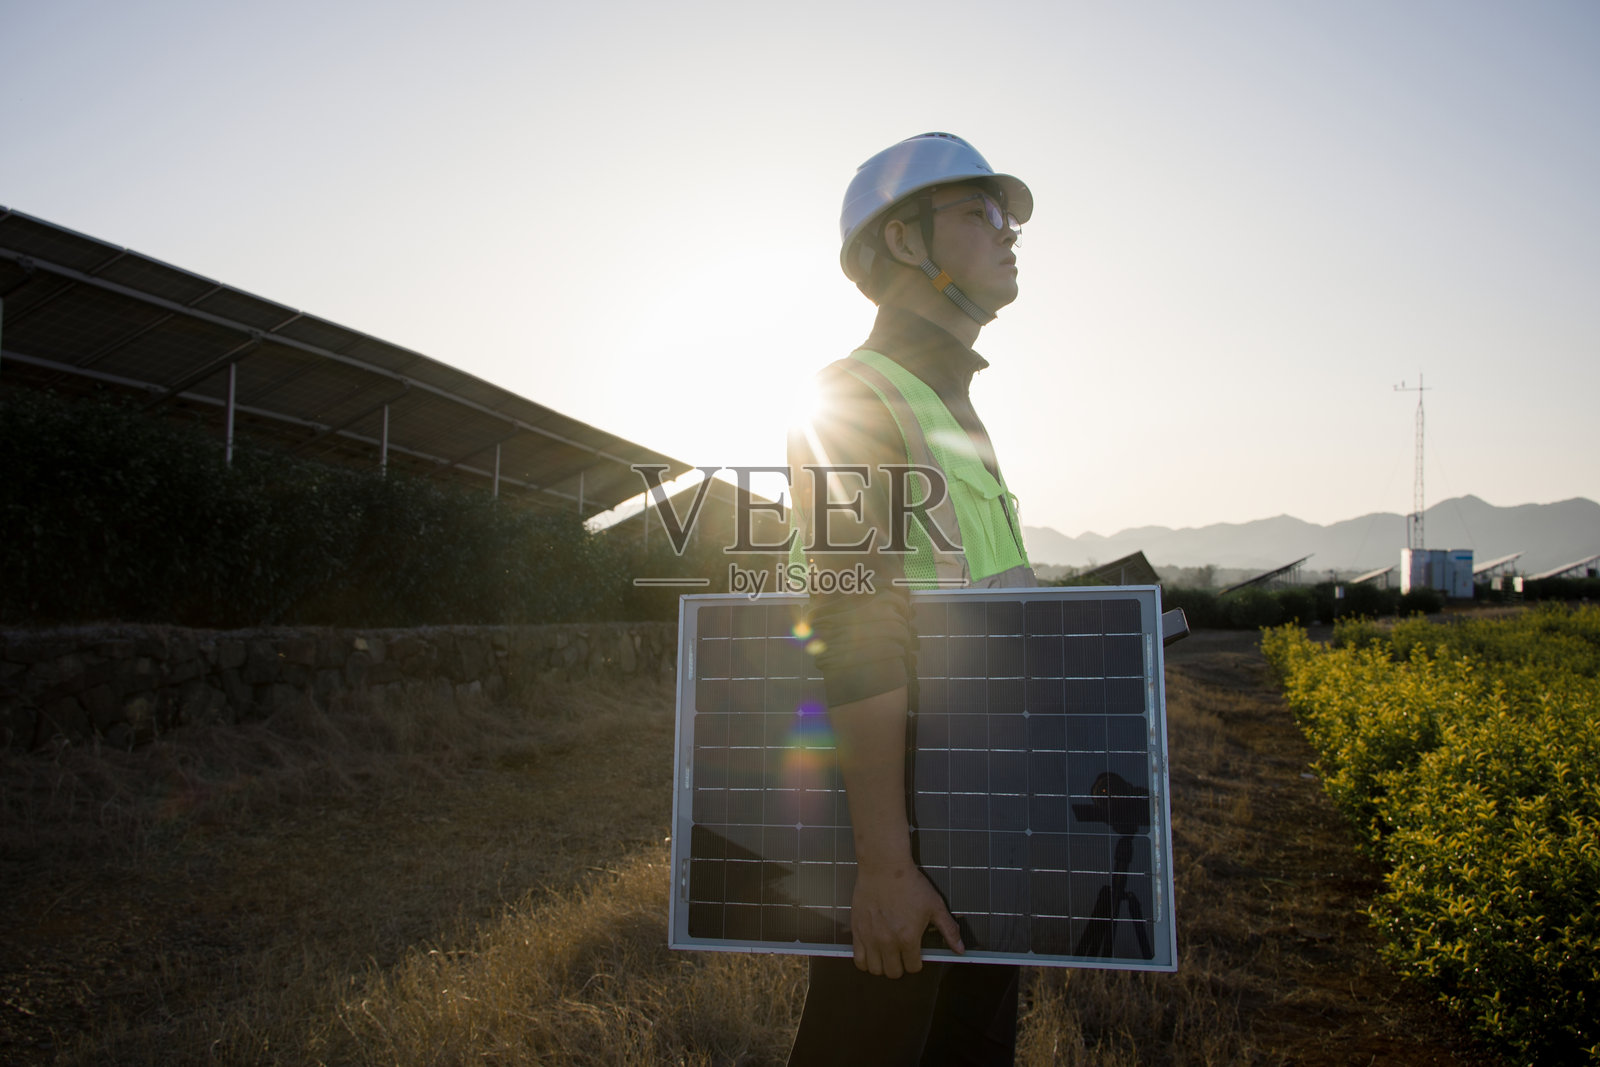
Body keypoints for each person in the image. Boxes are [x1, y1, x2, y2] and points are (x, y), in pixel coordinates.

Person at [785, 132, 1037, 1066]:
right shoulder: (853, 398)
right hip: (905, 848)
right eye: (981, 211)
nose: (1010, 232)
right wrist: (886, 865)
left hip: (980, 836)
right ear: (902, 240)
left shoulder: (954, 408)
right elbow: (855, 623)